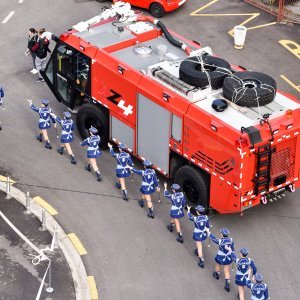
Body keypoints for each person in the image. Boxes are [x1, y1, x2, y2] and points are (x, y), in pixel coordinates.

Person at [209, 228, 234, 292]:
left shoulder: (220, 241)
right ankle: (227, 284)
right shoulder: (231, 240)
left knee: (218, 266)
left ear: (222, 234)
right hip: (228, 257)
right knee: (227, 271)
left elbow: (214, 239)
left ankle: (216, 274)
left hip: (220, 256)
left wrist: (209, 233)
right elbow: (232, 249)